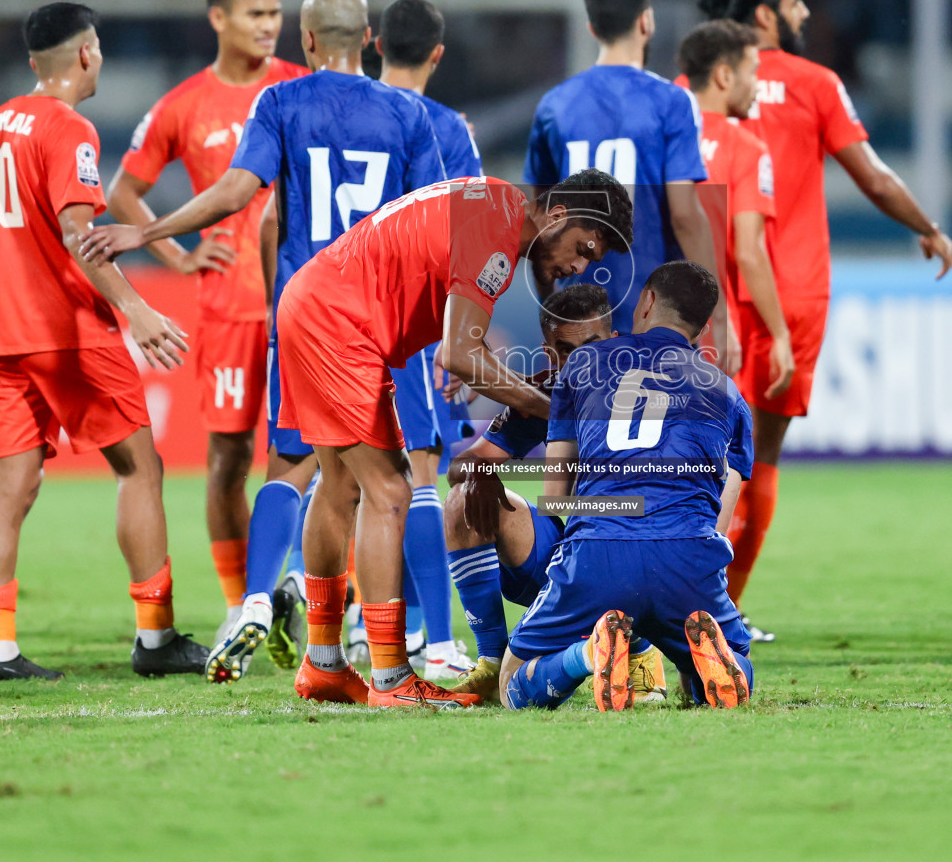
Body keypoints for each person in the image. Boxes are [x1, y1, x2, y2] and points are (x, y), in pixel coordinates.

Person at [80, 0, 447, 682]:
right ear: (369, 38)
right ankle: (398, 655)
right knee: (392, 485)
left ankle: (282, 622)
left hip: (303, 310)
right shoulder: (407, 112)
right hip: (381, 316)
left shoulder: (280, 102)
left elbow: (240, 194)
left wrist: (147, 229)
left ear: (306, 42)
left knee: (305, 472)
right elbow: (429, 224)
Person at [269, 169, 632, 708]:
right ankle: (391, 677)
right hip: (342, 325)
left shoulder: (491, 203)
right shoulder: (500, 235)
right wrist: (555, 409)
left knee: (340, 483)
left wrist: (484, 362)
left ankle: (324, 664)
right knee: (391, 492)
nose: (580, 266)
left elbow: (456, 331)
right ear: (555, 215)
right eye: (583, 247)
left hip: (316, 304)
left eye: (592, 262)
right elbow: (458, 356)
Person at [696, 0, 952, 636]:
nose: (806, 11)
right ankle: (725, 605)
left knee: (693, 452)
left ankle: (678, 596)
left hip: (705, 295)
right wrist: (926, 226)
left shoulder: (689, 93)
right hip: (792, 291)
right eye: (795, 0)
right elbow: (869, 175)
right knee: (760, 456)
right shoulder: (816, 84)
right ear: (762, 15)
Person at [0, 2, 205, 681]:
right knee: (139, 468)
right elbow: (80, 235)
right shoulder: (69, 129)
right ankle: (155, 639)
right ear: (85, 54)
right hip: (63, 330)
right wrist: (134, 308)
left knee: (11, 483)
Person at [106, 0, 308, 639]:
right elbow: (121, 193)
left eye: (276, 13)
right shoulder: (184, 104)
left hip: (300, 305)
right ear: (217, 17)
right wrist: (179, 256)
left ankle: (301, 595)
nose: (269, 26)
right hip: (227, 310)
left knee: (321, 460)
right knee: (226, 460)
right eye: (256, 13)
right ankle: (237, 608)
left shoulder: (297, 87)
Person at [501, 261, 754, 711]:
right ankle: (709, 668)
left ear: (648, 301)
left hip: (601, 550)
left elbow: (555, 495)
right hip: (687, 556)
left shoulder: (582, 364)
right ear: (703, 326)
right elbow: (718, 521)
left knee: (510, 685)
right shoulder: (728, 393)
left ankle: (589, 652)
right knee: (730, 661)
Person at [442, 284, 669, 704]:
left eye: (594, 344)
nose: (583, 360)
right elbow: (461, 465)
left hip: (643, 553)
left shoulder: (654, 391)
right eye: (568, 350)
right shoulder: (541, 392)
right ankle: (493, 662)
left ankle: (637, 648)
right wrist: (482, 471)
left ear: (615, 341)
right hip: (575, 549)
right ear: (550, 355)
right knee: (461, 501)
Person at [524, 0, 725, 346]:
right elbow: (685, 215)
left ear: (592, 28)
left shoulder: (554, 105)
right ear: (646, 21)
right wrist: (717, 316)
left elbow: (539, 218)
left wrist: (550, 306)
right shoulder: (672, 102)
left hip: (577, 317)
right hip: (653, 312)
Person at [374, 0, 483, 679]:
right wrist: (457, 336)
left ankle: (365, 625)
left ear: (374, 42)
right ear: (438, 54)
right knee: (420, 474)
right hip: (410, 323)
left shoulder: (336, 114)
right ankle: (430, 636)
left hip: (328, 314)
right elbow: (466, 240)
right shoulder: (443, 127)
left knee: (347, 480)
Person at [677, 20, 794, 403]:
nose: (757, 84)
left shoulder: (663, 139)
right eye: (752, 72)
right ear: (725, 76)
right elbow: (748, 251)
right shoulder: (745, 148)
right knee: (716, 451)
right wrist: (779, 334)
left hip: (645, 311)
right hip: (710, 319)